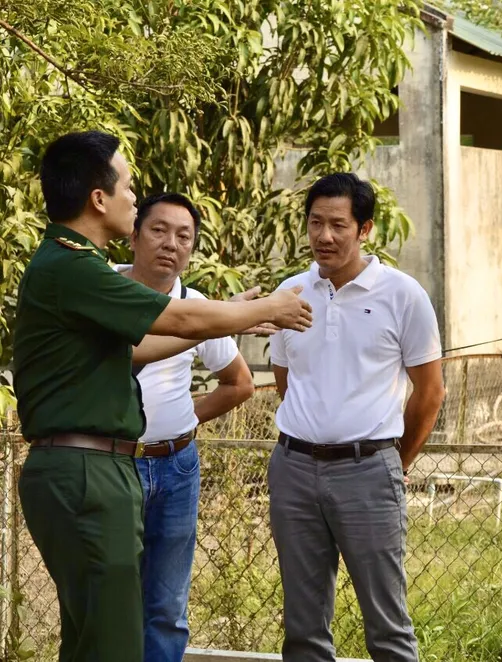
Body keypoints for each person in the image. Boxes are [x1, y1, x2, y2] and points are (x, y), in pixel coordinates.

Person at [13, 130, 313, 662]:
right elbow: (182, 316)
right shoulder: (77, 267)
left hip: (89, 468)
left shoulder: (69, 266)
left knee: (95, 637)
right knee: (114, 643)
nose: (133, 196)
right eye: (128, 187)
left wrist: (226, 313)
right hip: (86, 470)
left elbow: (148, 343)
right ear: (98, 198)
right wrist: (265, 308)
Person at [267, 173, 445, 662]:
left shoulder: (402, 294)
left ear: (365, 229)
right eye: (315, 222)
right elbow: (286, 381)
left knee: (386, 626)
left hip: (369, 471)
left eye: (338, 225)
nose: (325, 236)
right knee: (302, 626)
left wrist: (392, 460)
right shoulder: (290, 293)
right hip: (293, 469)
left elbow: (430, 393)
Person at [115, 192, 259, 662]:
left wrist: (178, 420)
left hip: (177, 469)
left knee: (167, 605)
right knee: (110, 602)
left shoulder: (195, 304)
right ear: (134, 236)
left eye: (184, 237)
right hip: (111, 466)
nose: (170, 244)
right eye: (158, 230)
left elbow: (239, 384)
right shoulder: (104, 290)